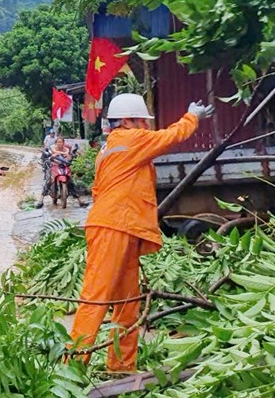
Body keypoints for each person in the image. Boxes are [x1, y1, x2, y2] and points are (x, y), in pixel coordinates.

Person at [68, 94, 213, 372]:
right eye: (140, 121)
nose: (144, 127)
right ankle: (70, 368)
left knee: (128, 303)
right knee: (96, 299)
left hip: (119, 226)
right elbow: (170, 136)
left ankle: (121, 367)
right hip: (114, 226)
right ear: (125, 121)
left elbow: (99, 189)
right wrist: (192, 116)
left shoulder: (110, 148)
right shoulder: (130, 139)